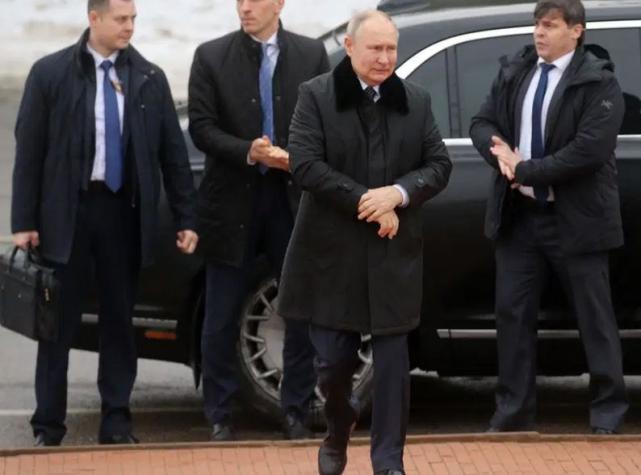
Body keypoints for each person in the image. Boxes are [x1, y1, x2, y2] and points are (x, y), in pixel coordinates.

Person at [11, 0, 198, 446]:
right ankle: (48, 425)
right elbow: (29, 150)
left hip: (122, 215)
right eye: (121, 19)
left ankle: (116, 420)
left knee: (118, 321)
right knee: (56, 323)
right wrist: (24, 220)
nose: (129, 27)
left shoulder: (148, 77)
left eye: (133, 19)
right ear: (93, 19)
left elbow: (173, 155)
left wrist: (186, 217)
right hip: (67, 215)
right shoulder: (50, 74)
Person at [277, 10, 451, 475]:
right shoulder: (315, 96)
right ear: (350, 47)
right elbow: (305, 165)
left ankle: (389, 462)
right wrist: (368, 201)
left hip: (394, 254)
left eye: (391, 48)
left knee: (393, 366)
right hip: (332, 256)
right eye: (375, 48)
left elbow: (438, 165)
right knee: (333, 365)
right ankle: (339, 425)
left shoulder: (415, 100)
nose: (384, 58)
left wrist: (399, 193)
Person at [470, 0, 629, 435]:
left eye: (550, 25)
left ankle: (608, 413)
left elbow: (589, 150)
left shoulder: (599, 82)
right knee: (512, 316)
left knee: (595, 319)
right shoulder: (516, 71)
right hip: (519, 219)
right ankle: (513, 413)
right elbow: (481, 122)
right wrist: (500, 152)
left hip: (576, 219)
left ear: (576, 30)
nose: (539, 33)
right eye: (537, 25)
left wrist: (526, 170)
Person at [188, 0, 329, 441]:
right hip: (232, 201)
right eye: (239, 1)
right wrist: (247, 151)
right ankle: (220, 413)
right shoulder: (211, 56)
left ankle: (297, 409)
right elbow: (201, 128)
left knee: (299, 310)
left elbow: (325, 122)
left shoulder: (311, 54)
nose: (245, 8)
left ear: (279, 4)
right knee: (220, 312)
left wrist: (295, 157)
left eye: (254, 0)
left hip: (291, 199)